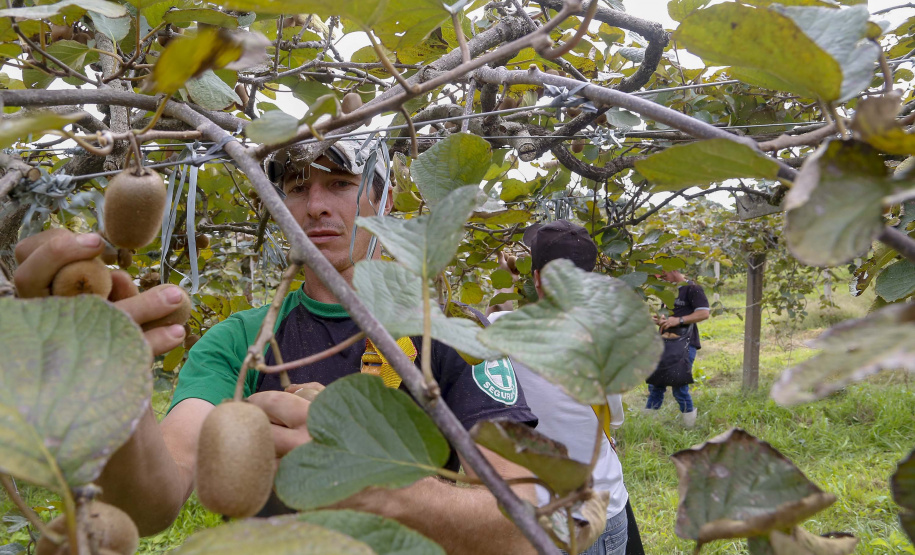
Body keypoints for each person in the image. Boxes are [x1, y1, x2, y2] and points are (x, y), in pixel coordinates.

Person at [12, 139, 543, 555]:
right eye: (294, 187)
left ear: (383, 199)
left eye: (339, 183)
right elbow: (153, 504)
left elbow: (524, 530)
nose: (314, 206)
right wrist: (109, 378)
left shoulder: (458, 342)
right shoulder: (241, 342)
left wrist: (360, 478)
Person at [487, 220, 643, 555]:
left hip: (539, 516)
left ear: (538, 279)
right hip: (602, 507)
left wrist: (507, 278)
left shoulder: (498, 330)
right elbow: (612, 420)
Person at [644, 269, 710, 427]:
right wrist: (660, 320)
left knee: (679, 385)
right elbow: (669, 318)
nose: (662, 278)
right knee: (656, 384)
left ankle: (689, 427)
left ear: (673, 269)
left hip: (684, 343)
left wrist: (678, 320)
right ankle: (646, 426)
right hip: (665, 343)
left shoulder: (693, 289)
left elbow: (704, 313)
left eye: (663, 273)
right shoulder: (669, 291)